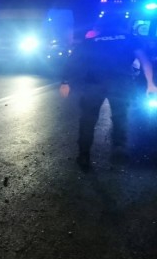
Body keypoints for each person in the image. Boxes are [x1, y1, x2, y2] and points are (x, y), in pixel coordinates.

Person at [59, 14, 157, 170]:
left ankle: (84, 156)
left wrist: (65, 82)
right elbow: (144, 61)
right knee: (120, 118)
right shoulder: (130, 39)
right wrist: (150, 83)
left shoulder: (91, 41)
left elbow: (73, 61)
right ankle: (118, 151)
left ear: (102, 26)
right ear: (121, 25)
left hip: (93, 85)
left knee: (88, 120)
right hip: (120, 84)